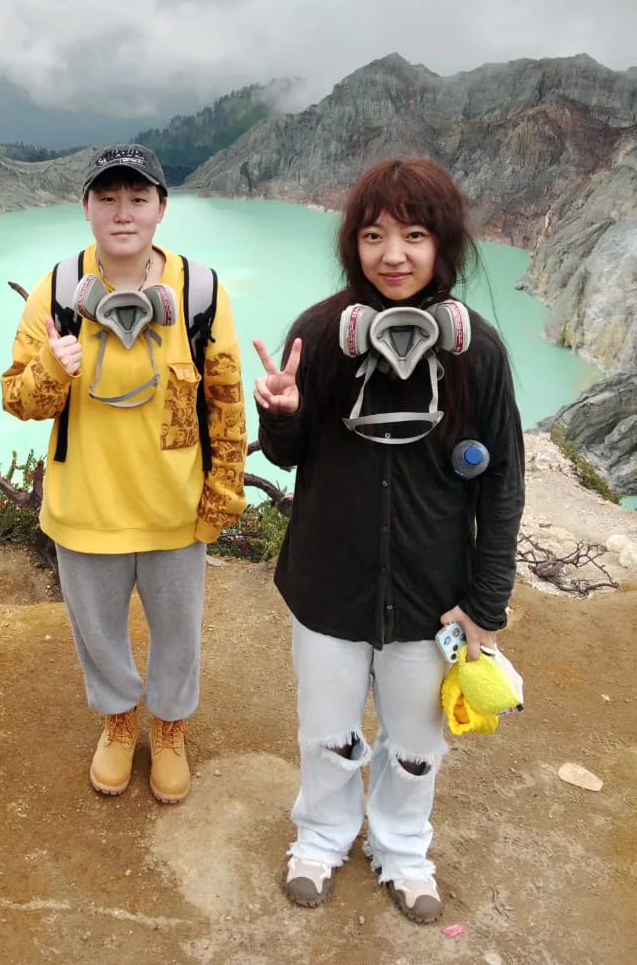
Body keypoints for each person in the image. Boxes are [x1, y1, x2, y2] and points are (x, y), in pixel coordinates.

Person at [253, 158, 524, 924]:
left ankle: (402, 848)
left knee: (415, 745)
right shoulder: (320, 334)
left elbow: (503, 482)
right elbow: (289, 456)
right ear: (353, 244)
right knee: (328, 735)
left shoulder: (477, 352)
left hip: (432, 596)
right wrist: (280, 412)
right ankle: (322, 836)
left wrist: (486, 604)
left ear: (443, 245)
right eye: (373, 236)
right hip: (327, 584)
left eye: (414, 235)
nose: (393, 255)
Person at [2, 144, 247, 803]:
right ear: (86, 207)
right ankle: (117, 721)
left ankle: (168, 728)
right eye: (107, 198)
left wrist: (223, 492)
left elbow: (225, 398)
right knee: (98, 634)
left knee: (178, 634)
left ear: (161, 209)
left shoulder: (200, 292)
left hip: (175, 509)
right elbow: (17, 399)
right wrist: (52, 368)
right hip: (86, 508)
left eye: (138, 199)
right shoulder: (58, 291)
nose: (122, 213)